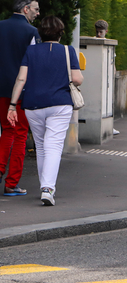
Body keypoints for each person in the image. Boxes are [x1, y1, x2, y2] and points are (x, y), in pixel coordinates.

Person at [7, 16, 83, 206]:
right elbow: (77, 79)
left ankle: (45, 185)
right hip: (59, 104)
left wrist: (12, 105)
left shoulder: (31, 51)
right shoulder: (68, 50)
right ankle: (47, 189)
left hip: (33, 105)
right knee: (53, 146)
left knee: (41, 146)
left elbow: (21, 79)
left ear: (40, 33)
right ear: (60, 33)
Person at [0, 0, 41, 196]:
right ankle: (11, 182)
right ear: (25, 9)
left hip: (0, 89)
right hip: (21, 91)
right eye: (35, 9)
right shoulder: (32, 32)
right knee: (20, 134)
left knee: (6, 130)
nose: (37, 13)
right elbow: (35, 62)